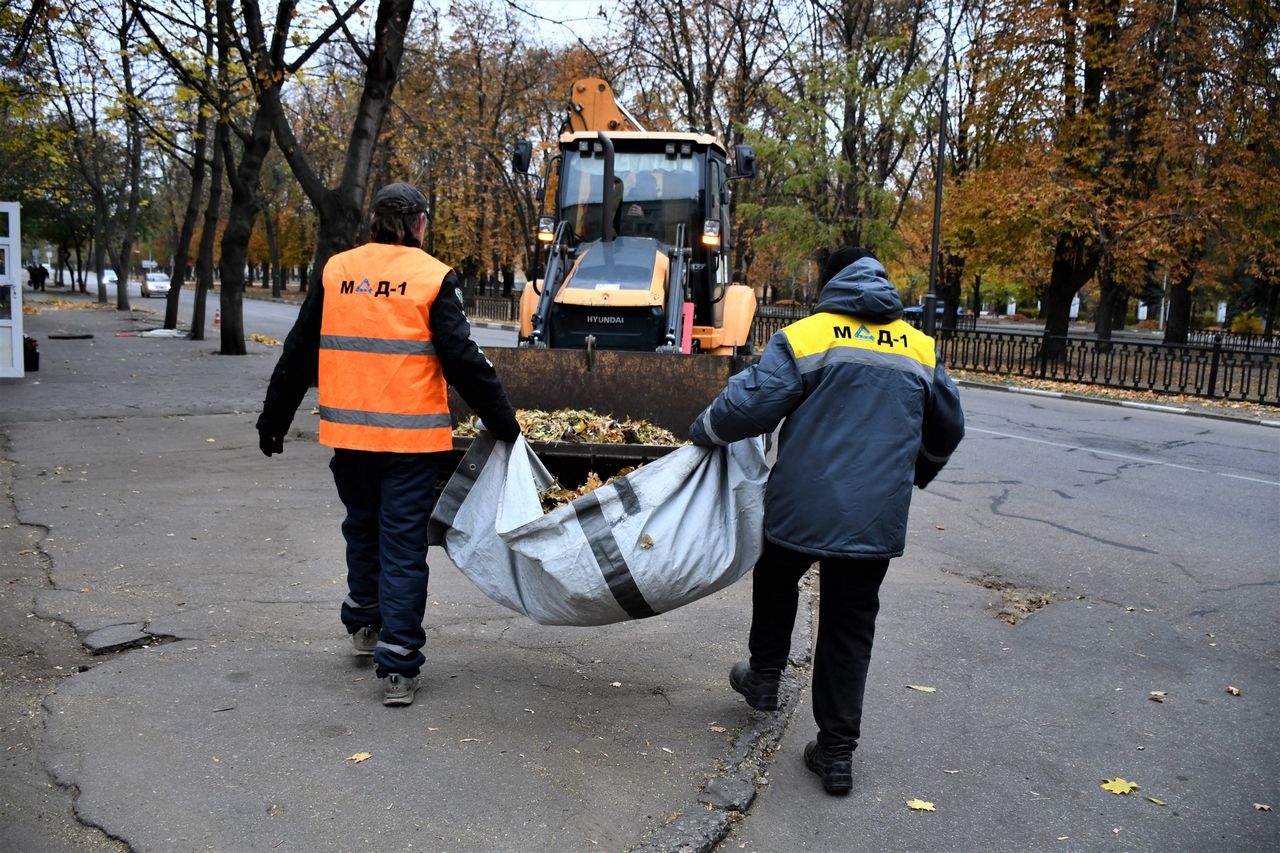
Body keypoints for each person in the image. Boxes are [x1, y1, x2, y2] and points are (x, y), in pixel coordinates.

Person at [688, 247, 964, 793]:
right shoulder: (919, 347)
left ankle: (765, 677)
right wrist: (917, 474)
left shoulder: (811, 335)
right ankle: (836, 754)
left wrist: (705, 431)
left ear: (830, 281)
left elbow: (753, 402)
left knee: (774, 574)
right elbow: (948, 427)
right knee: (850, 623)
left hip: (801, 503)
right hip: (875, 516)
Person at [256, 182, 521, 706]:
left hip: (350, 439)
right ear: (420, 223)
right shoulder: (432, 276)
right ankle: (398, 665)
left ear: (373, 221)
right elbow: (463, 359)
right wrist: (504, 423)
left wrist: (274, 418)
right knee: (401, 545)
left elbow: (299, 349)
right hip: (411, 443)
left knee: (362, 528)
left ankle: (363, 622)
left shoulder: (338, 271)